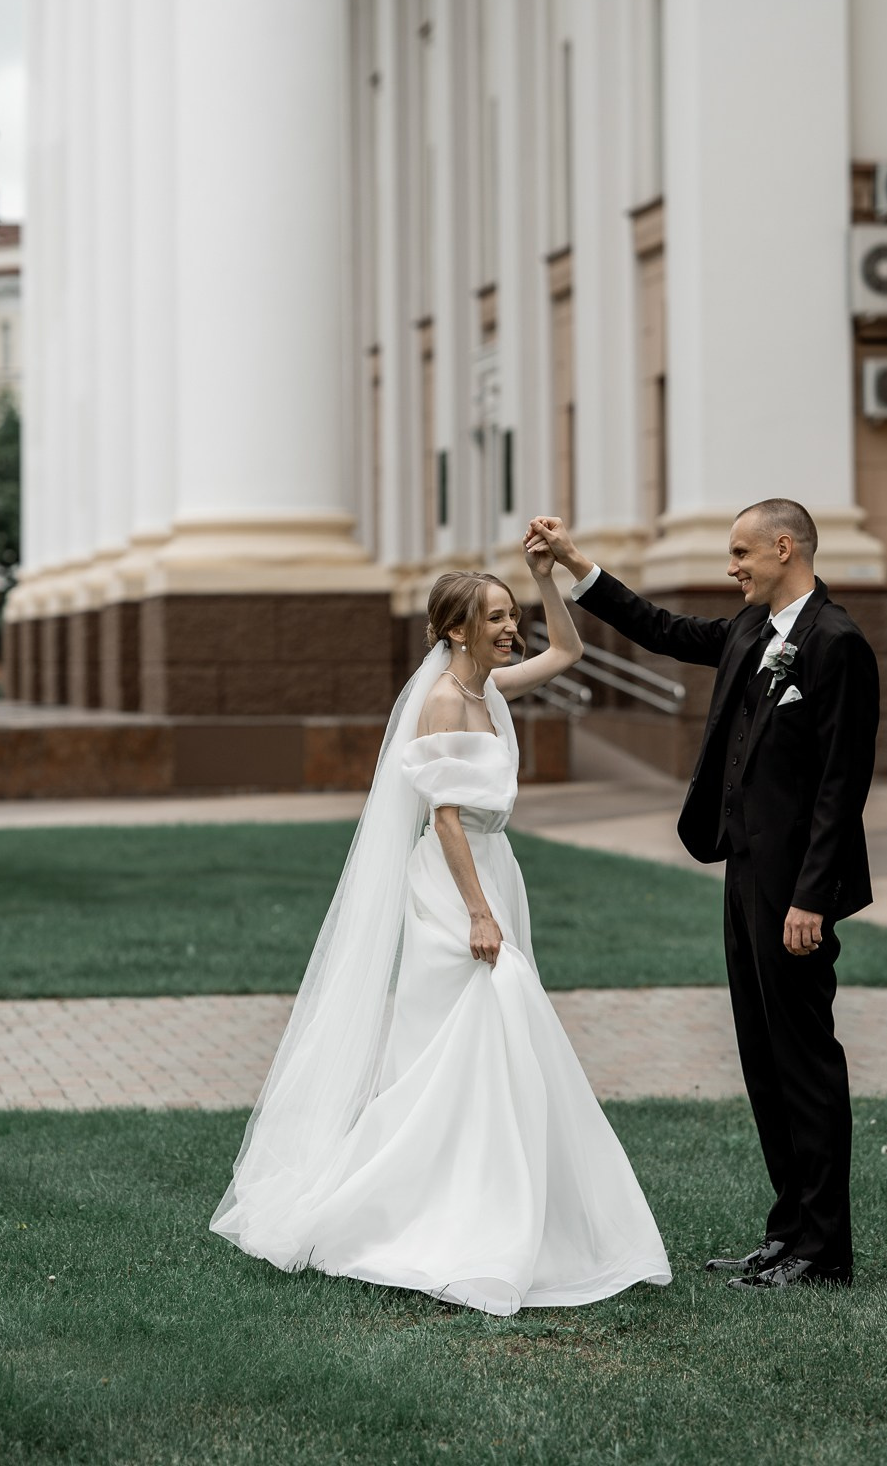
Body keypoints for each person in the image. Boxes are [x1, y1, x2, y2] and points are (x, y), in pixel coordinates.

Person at [210, 548, 671, 1316]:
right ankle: (448, 1213)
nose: (508, 626)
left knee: (483, 1042)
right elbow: (444, 816)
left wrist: (549, 580)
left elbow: (568, 650)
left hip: (494, 869)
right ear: (454, 631)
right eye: (494, 616)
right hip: (456, 886)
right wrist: (477, 912)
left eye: (507, 612)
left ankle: (488, 1194)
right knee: (484, 1025)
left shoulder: (490, 687)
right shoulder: (445, 705)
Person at [526, 502, 879, 1292]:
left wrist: (811, 900)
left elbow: (840, 786)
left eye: (742, 553)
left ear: (785, 548)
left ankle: (824, 1252)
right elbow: (660, 628)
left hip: (798, 893)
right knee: (761, 1057)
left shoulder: (838, 643)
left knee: (804, 1062)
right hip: (745, 876)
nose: (733, 567)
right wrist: (576, 566)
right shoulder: (751, 633)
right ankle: (787, 1234)